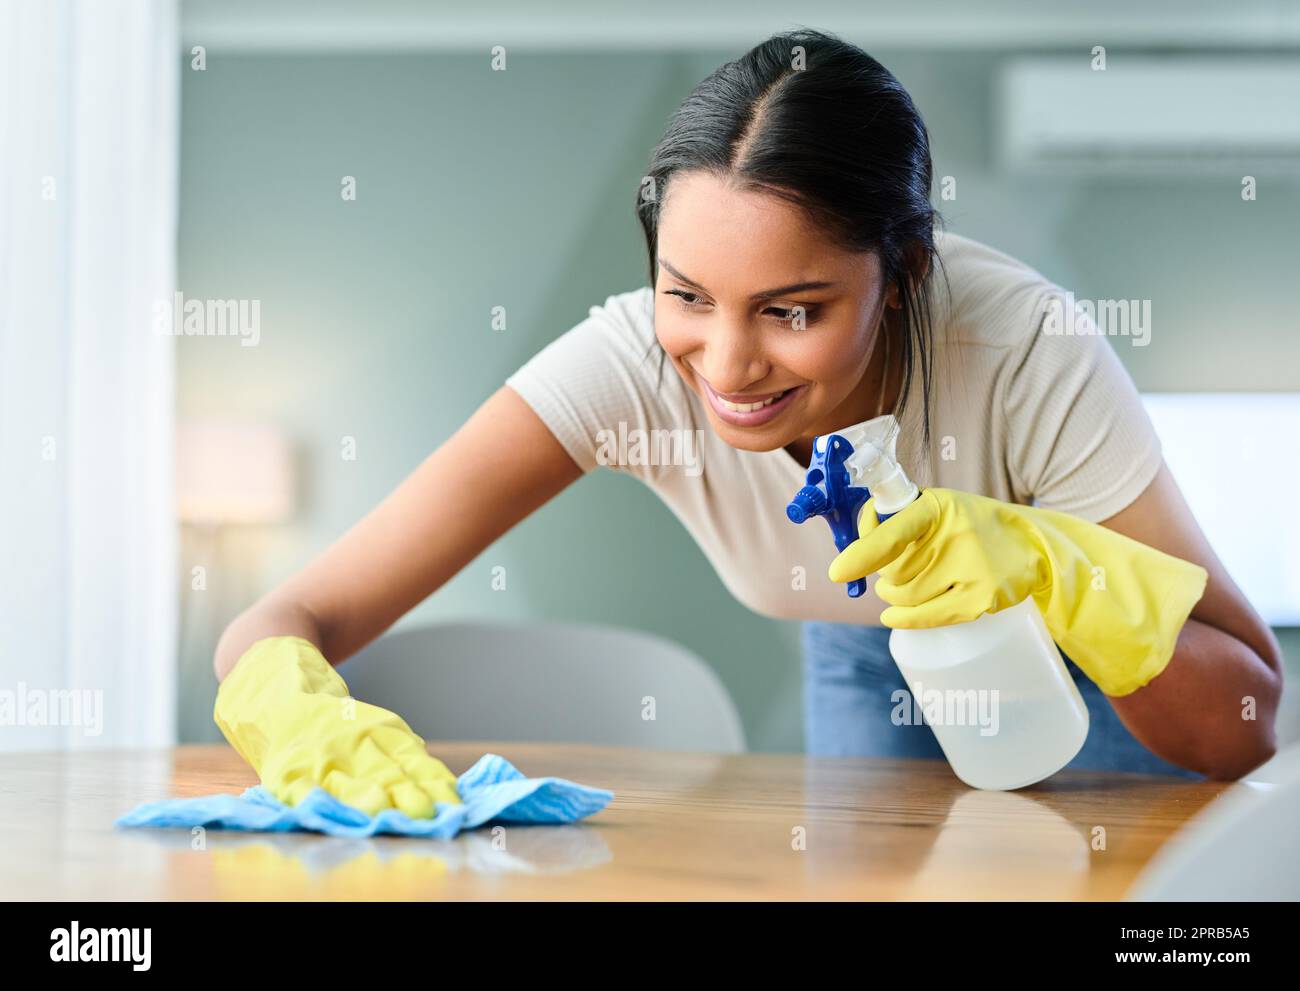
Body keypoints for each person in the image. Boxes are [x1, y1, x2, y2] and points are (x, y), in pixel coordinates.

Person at [212, 29, 1282, 817]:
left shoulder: (1023, 347)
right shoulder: (630, 361)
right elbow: (285, 615)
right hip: (869, 657)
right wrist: (291, 704)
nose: (726, 367)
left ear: (903, 272)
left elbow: (1243, 723)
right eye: (686, 295)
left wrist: (1055, 568)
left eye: (791, 310)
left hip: (1085, 666)